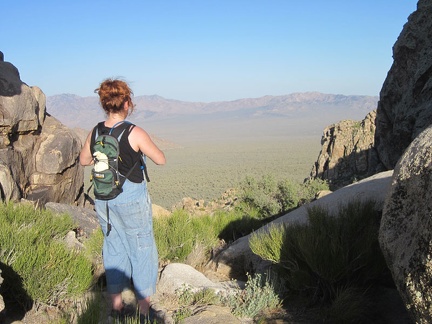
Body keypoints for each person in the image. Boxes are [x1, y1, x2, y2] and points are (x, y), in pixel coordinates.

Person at [79, 78, 166, 321]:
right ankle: (145, 311)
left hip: (104, 199)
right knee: (142, 247)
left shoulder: (95, 131)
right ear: (127, 103)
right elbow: (160, 159)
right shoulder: (133, 131)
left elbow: (84, 160)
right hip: (130, 198)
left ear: (104, 104)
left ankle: (116, 308)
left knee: (113, 247)